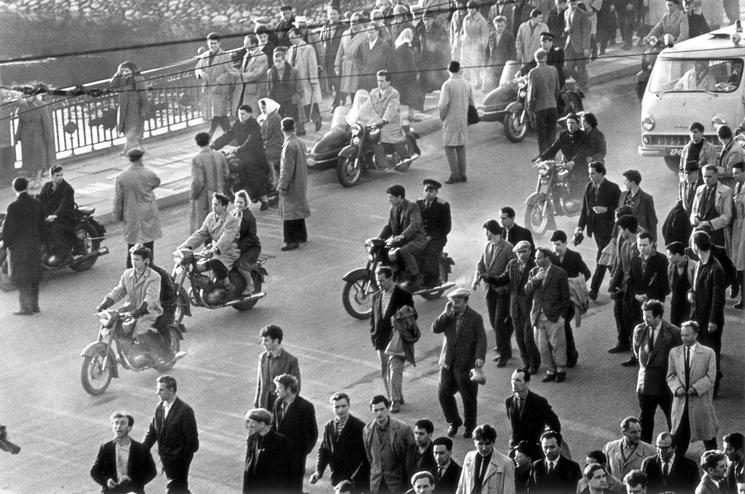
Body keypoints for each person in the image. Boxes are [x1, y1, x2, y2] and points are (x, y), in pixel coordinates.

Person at [432, 287, 486, 439]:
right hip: (447, 363)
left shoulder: (475, 318)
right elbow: (435, 329)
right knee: (443, 393)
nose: (454, 304)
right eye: (452, 301)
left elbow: (481, 338)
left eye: (458, 301)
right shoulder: (449, 315)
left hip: (466, 364)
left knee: (468, 397)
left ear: (465, 301)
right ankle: (454, 422)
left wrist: (479, 357)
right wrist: (445, 314)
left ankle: (470, 427)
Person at [630, 299, 681, 442]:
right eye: (643, 316)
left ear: (659, 317)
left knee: (673, 418)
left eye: (648, 316)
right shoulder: (639, 330)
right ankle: (646, 448)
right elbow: (636, 352)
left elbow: (680, 358)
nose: (644, 319)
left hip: (665, 385)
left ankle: (675, 447)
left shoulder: (674, 332)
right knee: (645, 419)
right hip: (645, 384)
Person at [488, 241, 542, 373]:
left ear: (530, 252)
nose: (522, 255)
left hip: (529, 307)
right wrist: (489, 278)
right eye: (519, 252)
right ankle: (526, 362)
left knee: (528, 338)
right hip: (515, 307)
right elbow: (503, 279)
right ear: (516, 253)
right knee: (519, 337)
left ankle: (535, 362)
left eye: (524, 251)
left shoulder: (534, 266)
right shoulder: (512, 264)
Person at [667, 320, 719, 455]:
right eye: (682, 335)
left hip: (700, 401)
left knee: (708, 434)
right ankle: (677, 462)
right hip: (681, 402)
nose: (684, 338)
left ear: (696, 335)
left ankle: (715, 460)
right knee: (678, 435)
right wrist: (677, 388)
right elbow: (671, 375)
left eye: (687, 335)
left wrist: (695, 388)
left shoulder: (708, 353)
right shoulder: (674, 352)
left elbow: (711, 376)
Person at [142, 375, 199, 494]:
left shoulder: (185, 411)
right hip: (166, 459)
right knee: (181, 489)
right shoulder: (160, 407)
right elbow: (153, 431)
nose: (157, 393)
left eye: (161, 389)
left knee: (173, 489)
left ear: (171, 389)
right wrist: (140, 450)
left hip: (179, 462)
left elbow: (193, 444)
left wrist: (180, 459)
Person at [371, 265, 416, 412]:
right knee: (385, 371)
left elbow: (413, 315)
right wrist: (374, 335)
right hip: (381, 340)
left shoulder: (403, 295)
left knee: (395, 369)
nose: (380, 284)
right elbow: (373, 318)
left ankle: (394, 401)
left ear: (391, 278)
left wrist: (401, 316)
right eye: (378, 281)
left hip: (397, 338)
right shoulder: (376, 296)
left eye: (382, 281)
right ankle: (393, 396)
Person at [688, 230, 727, 398]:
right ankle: (703, 383)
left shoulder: (715, 268)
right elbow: (696, 285)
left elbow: (718, 298)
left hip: (710, 319)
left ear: (696, 247)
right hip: (698, 315)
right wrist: (691, 292)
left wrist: (713, 320)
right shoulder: (699, 263)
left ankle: (714, 385)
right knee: (701, 351)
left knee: (712, 353)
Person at [178, 192, 239, 296]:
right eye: (212, 204)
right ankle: (206, 286)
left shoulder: (231, 220)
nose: (213, 207)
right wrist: (183, 247)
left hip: (227, 251)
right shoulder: (210, 217)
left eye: (216, 205)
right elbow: (201, 234)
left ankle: (227, 286)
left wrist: (214, 249)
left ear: (224, 206)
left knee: (214, 262)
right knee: (195, 264)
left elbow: (225, 239)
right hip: (213, 250)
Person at [576, 161, 621, 300]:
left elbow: (619, 209)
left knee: (601, 257)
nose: (590, 176)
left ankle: (594, 290)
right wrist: (579, 228)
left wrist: (606, 209)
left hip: (608, 229)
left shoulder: (613, 188)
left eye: (593, 174)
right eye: (589, 174)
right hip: (595, 229)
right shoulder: (589, 187)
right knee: (608, 257)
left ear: (601, 173)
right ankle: (617, 281)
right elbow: (585, 209)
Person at [525, 247, 571, 382]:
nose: (535, 260)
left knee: (558, 344)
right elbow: (527, 290)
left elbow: (565, 298)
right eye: (535, 258)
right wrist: (535, 279)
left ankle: (561, 370)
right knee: (542, 347)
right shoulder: (534, 272)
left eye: (539, 258)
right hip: (538, 316)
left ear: (547, 258)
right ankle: (550, 371)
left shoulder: (560, 273)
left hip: (554, 315)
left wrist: (563, 317)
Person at [212, 106, 272, 210]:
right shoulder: (237, 124)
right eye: (240, 114)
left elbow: (252, 139)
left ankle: (264, 199)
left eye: (243, 114)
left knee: (254, 173)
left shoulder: (254, 125)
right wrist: (214, 145)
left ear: (250, 114)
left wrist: (240, 149)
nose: (241, 116)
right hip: (241, 153)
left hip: (255, 153)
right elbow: (228, 135)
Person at [472, 220, 515, 365]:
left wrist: (498, 280)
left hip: (503, 290)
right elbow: (481, 264)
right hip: (490, 289)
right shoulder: (487, 246)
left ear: (490, 232)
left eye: (486, 232)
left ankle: (504, 353)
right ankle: (506, 347)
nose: (484, 235)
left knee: (499, 322)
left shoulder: (508, 248)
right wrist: (477, 277)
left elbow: (511, 270)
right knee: (493, 321)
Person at [310, 392, 369, 492]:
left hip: (354, 481)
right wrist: (318, 472)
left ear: (349, 406)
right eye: (336, 407)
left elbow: (366, 457)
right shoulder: (328, 426)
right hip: (336, 477)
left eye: (343, 406)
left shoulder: (359, 426)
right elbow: (324, 450)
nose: (340, 410)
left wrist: (354, 478)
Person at [114, 149, 162, 268]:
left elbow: (118, 200)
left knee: (131, 248)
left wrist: (119, 216)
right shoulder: (149, 174)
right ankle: (148, 272)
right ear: (141, 158)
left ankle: (131, 274)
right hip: (147, 214)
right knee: (149, 247)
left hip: (131, 215)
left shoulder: (122, 177)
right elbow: (157, 182)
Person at [272, 374, 318, 493]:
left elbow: (312, 434)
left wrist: (301, 452)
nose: (276, 391)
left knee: (293, 488)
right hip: (278, 456)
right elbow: (273, 426)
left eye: (279, 388)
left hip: (295, 458)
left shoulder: (305, 407)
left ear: (288, 389)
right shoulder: (277, 403)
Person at [550, 229, 590, 367]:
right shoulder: (552, 258)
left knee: (564, 324)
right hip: (557, 299)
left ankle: (571, 355)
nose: (556, 248)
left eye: (559, 244)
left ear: (566, 243)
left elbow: (587, 273)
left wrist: (575, 283)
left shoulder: (574, 257)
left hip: (571, 300)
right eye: (554, 244)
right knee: (559, 326)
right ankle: (561, 356)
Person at [90, 411, 157, 494]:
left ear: (129, 428)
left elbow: (151, 471)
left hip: (134, 491)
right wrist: (106, 481)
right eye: (116, 423)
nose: (118, 426)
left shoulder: (140, 449)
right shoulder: (106, 447)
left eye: (122, 423)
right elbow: (95, 471)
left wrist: (134, 482)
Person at [363, 394, 417, 494]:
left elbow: (410, 460)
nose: (379, 413)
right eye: (375, 410)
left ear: (387, 408)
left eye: (382, 409)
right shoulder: (367, 430)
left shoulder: (403, 429)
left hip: (397, 482)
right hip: (376, 483)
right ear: (371, 411)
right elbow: (370, 457)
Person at [505, 368, 561, 462]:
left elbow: (555, 425)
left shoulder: (539, 402)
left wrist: (546, 441)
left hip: (533, 451)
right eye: (512, 379)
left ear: (527, 383)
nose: (514, 383)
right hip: (514, 449)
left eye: (518, 380)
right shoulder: (509, 401)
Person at [379, 184, 428, 288]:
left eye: (391, 197)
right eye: (389, 197)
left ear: (399, 197)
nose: (389, 200)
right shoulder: (393, 209)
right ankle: (396, 273)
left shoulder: (412, 207)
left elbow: (414, 224)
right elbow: (389, 227)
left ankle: (416, 278)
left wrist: (402, 236)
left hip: (417, 240)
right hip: (401, 240)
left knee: (404, 251)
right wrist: (379, 238)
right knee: (384, 250)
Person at [539, 112, 589, 199]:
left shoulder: (583, 136)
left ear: (578, 124)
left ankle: (576, 201)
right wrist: (541, 157)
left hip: (580, 166)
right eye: (568, 123)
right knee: (552, 176)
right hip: (566, 164)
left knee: (576, 180)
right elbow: (554, 148)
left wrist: (573, 161)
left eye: (572, 123)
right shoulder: (563, 135)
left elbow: (582, 152)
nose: (570, 125)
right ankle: (556, 198)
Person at [278, 117, 310, 251]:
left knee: (289, 212)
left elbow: (286, 169)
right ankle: (302, 235)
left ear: (282, 129)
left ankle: (292, 240)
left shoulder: (289, 145)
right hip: (300, 181)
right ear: (294, 128)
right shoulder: (300, 142)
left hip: (291, 184)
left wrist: (282, 185)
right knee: (298, 210)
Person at [439, 61, 473, 184]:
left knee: (449, 147)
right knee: (461, 146)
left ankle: (455, 175)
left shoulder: (447, 85)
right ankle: (463, 174)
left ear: (449, 70)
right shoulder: (467, 84)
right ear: (459, 69)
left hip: (451, 118)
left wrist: (442, 117)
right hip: (463, 119)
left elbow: (443, 105)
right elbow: (472, 103)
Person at [456, 424, 516, 494]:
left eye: (487, 444)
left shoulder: (506, 463)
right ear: (474, 442)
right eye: (480, 444)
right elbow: (461, 485)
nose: (484, 448)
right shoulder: (469, 457)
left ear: (493, 443)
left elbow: (509, 491)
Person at [242, 408, 291, 493]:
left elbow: (285, 470)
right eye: (248, 421)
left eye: (252, 422)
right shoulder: (252, 438)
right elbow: (248, 463)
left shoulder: (280, 441)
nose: (249, 425)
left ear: (262, 424)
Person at [254, 324, 300, 411]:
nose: (263, 344)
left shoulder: (291, 361)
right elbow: (260, 382)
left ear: (276, 341)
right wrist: (257, 402)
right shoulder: (263, 357)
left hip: (282, 404)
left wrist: (289, 406)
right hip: (265, 403)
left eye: (266, 340)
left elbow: (296, 387)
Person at [369, 70, 411, 168]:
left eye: (382, 81)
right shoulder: (373, 92)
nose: (379, 83)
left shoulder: (394, 94)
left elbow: (391, 108)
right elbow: (367, 105)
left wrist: (385, 120)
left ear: (388, 82)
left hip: (391, 122)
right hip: (376, 120)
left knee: (388, 135)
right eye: (378, 81)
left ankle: (404, 156)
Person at [15, 93, 55, 189]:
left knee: (39, 157)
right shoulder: (22, 106)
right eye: (25, 95)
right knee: (28, 157)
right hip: (26, 136)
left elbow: (46, 122)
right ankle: (32, 178)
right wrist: (17, 136)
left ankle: (38, 179)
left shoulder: (41, 105)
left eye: (29, 94)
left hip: (38, 135)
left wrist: (48, 137)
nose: (27, 96)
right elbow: (21, 121)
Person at [37, 164, 76, 264]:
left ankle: (63, 255)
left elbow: (64, 205)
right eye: (57, 175)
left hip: (65, 216)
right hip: (49, 215)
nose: (60, 177)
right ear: (52, 176)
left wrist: (55, 215)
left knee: (54, 229)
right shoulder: (47, 186)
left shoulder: (67, 189)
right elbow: (40, 200)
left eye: (61, 175)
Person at [195, 33, 232, 137]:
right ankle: (232, 137)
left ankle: (208, 137)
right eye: (211, 43)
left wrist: (220, 79)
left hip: (220, 90)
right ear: (207, 43)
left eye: (215, 43)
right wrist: (200, 73)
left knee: (217, 115)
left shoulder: (225, 56)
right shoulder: (204, 56)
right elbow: (197, 68)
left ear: (219, 43)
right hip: (208, 90)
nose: (213, 45)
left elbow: (230, 72)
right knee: (220, 116)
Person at [108, 61, 149, 156]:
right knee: (130, 130)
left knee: (131, 131)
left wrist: (143, 109)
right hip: (123, 110)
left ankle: (127, 151)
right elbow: (112, 85)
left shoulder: (138, 79)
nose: (125, 73)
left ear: (132, 70)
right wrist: (118, 73)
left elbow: (144, 95)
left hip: (134, 109)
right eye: (123, 71)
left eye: (127, 71)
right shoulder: (121, 79)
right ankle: (141, 147)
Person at [189, 132, 228, 231]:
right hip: (219, 194)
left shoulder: (197, 159)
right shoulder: (219, 155)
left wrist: (193, 195)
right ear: (209, 141)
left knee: (205, 226)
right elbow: (227, 174)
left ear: (197, 143)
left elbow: (198, 181)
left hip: (204, 197)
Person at [417, 179, 452, 289]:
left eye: (431, 191)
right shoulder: (419, 203)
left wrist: (430, 237)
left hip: (438, 238)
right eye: (426, 190)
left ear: (436, 192)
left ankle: (434, 281)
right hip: (422, 237)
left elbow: (446, 227)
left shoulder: (443, 205)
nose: (428, 193)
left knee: (429, 254)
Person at [287, 28, 322, 134]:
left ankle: (317, 118)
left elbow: (312, 64)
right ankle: (302, 126)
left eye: (293, 37)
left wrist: (313, 80)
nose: (291, 40)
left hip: (305, 79)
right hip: (295, 81)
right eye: (290, 38)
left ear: (300, 36)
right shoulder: (291, 49)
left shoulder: (308, 48)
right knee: (301, 104)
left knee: (310, 101)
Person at [690, 164, 733, 249]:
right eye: (704, 176)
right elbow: (694, 211)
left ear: (716, 176)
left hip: (717, 234)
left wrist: (710, 224)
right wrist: (693, 219)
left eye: (709, 176)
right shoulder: (700, 189)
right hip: (699, 233)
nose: (706, 179)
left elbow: (727, 216)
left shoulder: (726, 191)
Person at [528, 49, 561, 156]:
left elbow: (531, 93)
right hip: (552, 106)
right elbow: (557, 89)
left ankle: (544, 155)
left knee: (542, 134)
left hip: (540, 108)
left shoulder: (533, 72)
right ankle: (551, 154)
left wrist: (530, 108)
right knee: (551, 132)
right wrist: (553, 100)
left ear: (536, 59)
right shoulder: (553, 70)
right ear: (545, 58)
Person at [227, 35, 267, 116]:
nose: (244, 45)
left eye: (246, 43)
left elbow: (256, 75)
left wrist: (240, 75)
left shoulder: (262, 56)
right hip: (244, 91)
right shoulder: (246, 55)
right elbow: (244, 70)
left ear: (254, 44)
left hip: (254, 92)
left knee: (253, 116)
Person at [231, 190, 261, 295]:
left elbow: (252, 236)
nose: (239, 204)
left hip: (251, 247)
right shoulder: (232, 214)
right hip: (235, 245)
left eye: (241, 203)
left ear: (245, 204)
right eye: (237, 202)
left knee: (239, 265)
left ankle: (249, 286)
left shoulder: (250, 217)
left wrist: (238, 246)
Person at [415, 12, 450, 96]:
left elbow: (445, 45)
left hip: (436, 58)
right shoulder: (420, 30)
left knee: (439, 79)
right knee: (424, 81)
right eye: (424, 20)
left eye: (428, 20)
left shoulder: (440, 30)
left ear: (433, 19)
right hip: (424, 58)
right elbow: (417, 44)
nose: (426, 22)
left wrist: (445, 59)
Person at [335, 13, 366, 106]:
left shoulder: (365, 34)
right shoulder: (345, 33)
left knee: (355, 89)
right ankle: (342, 107)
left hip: (356, 65)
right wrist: (337, 65)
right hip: (345, 64)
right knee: (343, 89)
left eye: (355, 21)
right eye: (351, 21)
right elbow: (340, 50)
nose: (352, 23)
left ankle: (356, 108)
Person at [618, 169, 658, 241]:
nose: (624, 183)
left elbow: (652, 221)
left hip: (639, 237)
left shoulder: (646, 198)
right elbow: (618, 218)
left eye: (626, 180)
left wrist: (654, 240)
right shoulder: (623, 195)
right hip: (623, 236)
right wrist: (614, 238)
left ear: (632, 182)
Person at [267, 47, 302, 126]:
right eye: (275, 61)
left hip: (290, 102)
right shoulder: (270, 73)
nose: (277, 64)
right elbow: (269, 89)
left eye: (279, 61)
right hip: (277, 102)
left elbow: (300, 89)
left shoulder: (293, 71)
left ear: (284, 60)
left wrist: (293, 100)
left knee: (289, 125)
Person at [393, 28, 423, 120]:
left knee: (401, 98)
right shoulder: (407, 48)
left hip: (400, 76)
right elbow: (411, 63)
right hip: (409, 77)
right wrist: (415, 73)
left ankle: (401, 116)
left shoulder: (399, 47)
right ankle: (410, 116)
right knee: (410, 97)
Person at [459, 0, 490, 87]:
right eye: (469, 8)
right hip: (466, 46)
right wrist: (462, 39)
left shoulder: (481, 20)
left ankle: (478, 81)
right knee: (465, 65)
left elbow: (485, 35)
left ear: (476, 9)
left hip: (477, 46)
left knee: (476, 66)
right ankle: (466, 83)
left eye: (473, 8)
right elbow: (462, 31)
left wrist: (482, 47)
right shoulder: (466, 18)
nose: (471, 10)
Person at [320, 6, 344, 110]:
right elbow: (321, 41)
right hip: (328, 59)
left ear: (339, 15)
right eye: (331, 14)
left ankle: (337, 103)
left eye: (334, 14)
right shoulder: (325, 27)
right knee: (332, 82)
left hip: (339, 57)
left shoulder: (344, 27)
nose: (332, 16)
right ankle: (337, 100)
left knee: (338, 81)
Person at [563, 0, 591, 90]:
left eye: (574, 3)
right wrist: (566, 29)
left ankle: (582, 86)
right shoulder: (566, 13)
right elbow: (567, 26)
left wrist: (586, 47)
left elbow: (586, 32)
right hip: (569, 44)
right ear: (568, 3)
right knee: (568, 67)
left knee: (580, 68)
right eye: (571, 3)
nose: (573, 5)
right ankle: (582, 81)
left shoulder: (582, 14)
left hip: (580, 45)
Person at [665, 241, 695, 326]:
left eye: (669, 254)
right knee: (674, 330)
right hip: (675, 304)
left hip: (689, 306)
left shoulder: (694, 266)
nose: (667, 257)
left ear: (677, 255)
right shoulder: (670, 267)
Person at [359, 22, 394, 91]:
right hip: (364, 79)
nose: (370, 35)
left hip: (377, 79)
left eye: (372, 32)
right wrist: (362, 69)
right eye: (368, 32)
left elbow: (389, 63)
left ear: (377, 32)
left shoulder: (384, 45)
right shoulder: (363, 44)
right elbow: (359, 59)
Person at [484, 16, 516, 90]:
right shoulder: (491, 35)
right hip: (493, 65)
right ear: (494, 25)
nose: (500, 28)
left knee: (502, 86)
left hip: (504, 65)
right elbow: (487, 51)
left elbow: (513, 52)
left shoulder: (509, 36)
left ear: (505, 25)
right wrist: (485, 64)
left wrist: (511, 65)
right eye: (498, 26)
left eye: (502, 26)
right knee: (492, 85)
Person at [258, 98, 283, 188]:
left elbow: (276, 135)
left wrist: (266, 144)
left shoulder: (276, 118)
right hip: (266, 142)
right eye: (261, 108)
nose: (262, 110)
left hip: (276, 143)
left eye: (264, 108)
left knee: (268, 155)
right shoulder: (262, 117)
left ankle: (274, 178)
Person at [732, 161, 745, 308]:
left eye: (737, 173)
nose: (734, 175)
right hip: (738, 227)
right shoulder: (737, 186)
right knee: (739, 264)